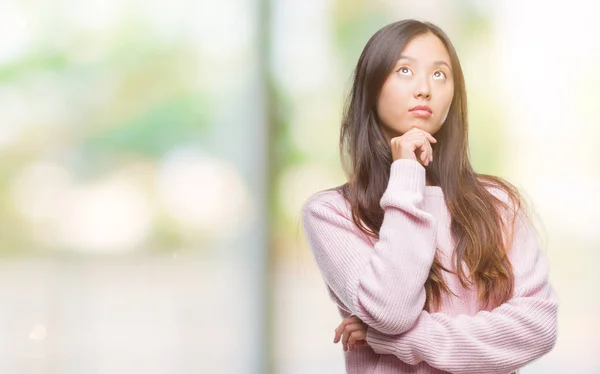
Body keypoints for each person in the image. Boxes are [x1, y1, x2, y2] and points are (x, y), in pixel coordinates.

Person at [301, 19, 558, 374]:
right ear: (372, 86)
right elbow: (390, 312)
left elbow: (537, 327)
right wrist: (406, 174)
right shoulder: (333, 212)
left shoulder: (497, 202)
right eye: (404, 70)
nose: (424, 88)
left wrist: (401, 339)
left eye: (440, 75)